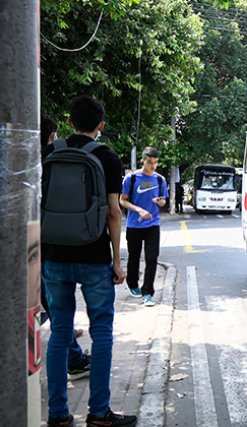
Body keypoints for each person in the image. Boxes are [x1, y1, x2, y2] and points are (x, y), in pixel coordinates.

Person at [41, 96, 137, 427]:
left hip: (54, 256)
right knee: (102, 333)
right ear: (101, 126)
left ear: (69, 123)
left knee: (60, 333)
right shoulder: (107, 157)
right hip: (94, 257)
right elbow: (114, 212)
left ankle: (58, 416)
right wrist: (117, 261)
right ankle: (99, 414)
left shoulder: (50, 153)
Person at [39, 116, 87, 375]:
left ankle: (71, 347)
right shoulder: (49, 163)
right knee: (52, 308)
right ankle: (74, 359)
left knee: (51, 307)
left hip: (38, 249)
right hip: (42, 250)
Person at [119, 147, 168, 307]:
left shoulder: (160, 179)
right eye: (149, 162)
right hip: (134, 224)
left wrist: (161, 202)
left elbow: (164, 200)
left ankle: (148, 292)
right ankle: (133, 284)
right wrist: (138, 209)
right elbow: (122, 200)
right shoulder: (131, 178)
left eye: (155, 162)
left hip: (153, 224)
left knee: (152, 258)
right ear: (143, 161)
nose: (152, 166)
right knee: (134, 256)